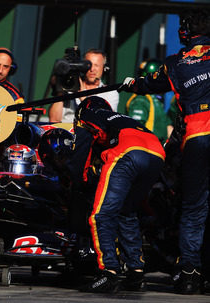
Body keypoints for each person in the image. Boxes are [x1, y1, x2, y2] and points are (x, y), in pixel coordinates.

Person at [121, 9, 210, 294]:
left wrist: (130, 84)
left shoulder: (175, 62)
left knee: (194, 209)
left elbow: (147, 84)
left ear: (185, 32)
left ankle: (189, 274)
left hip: (196, 137)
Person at [75, 96, 165, 293]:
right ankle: (136, 272)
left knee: (101, 215)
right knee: (127, 212)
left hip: (128, 151)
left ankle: (108, 272)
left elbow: (84, 148)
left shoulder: (87, 115)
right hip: (157, 153)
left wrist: (81, 178)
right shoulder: (123, 118)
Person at [49, 48, 119, 123]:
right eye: (89, 65)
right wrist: (60, 91)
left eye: (96, 65)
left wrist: (83, 98)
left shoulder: (110, 93)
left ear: (104, 68)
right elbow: (54, 120)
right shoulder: (70, 86)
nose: (92, 69)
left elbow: (104, 122)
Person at [125, 59, 172, 143]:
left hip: (158, 149)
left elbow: (168, 127)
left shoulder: (157, 100)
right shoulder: (141, 99)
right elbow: (136, 129)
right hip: (147, 149)